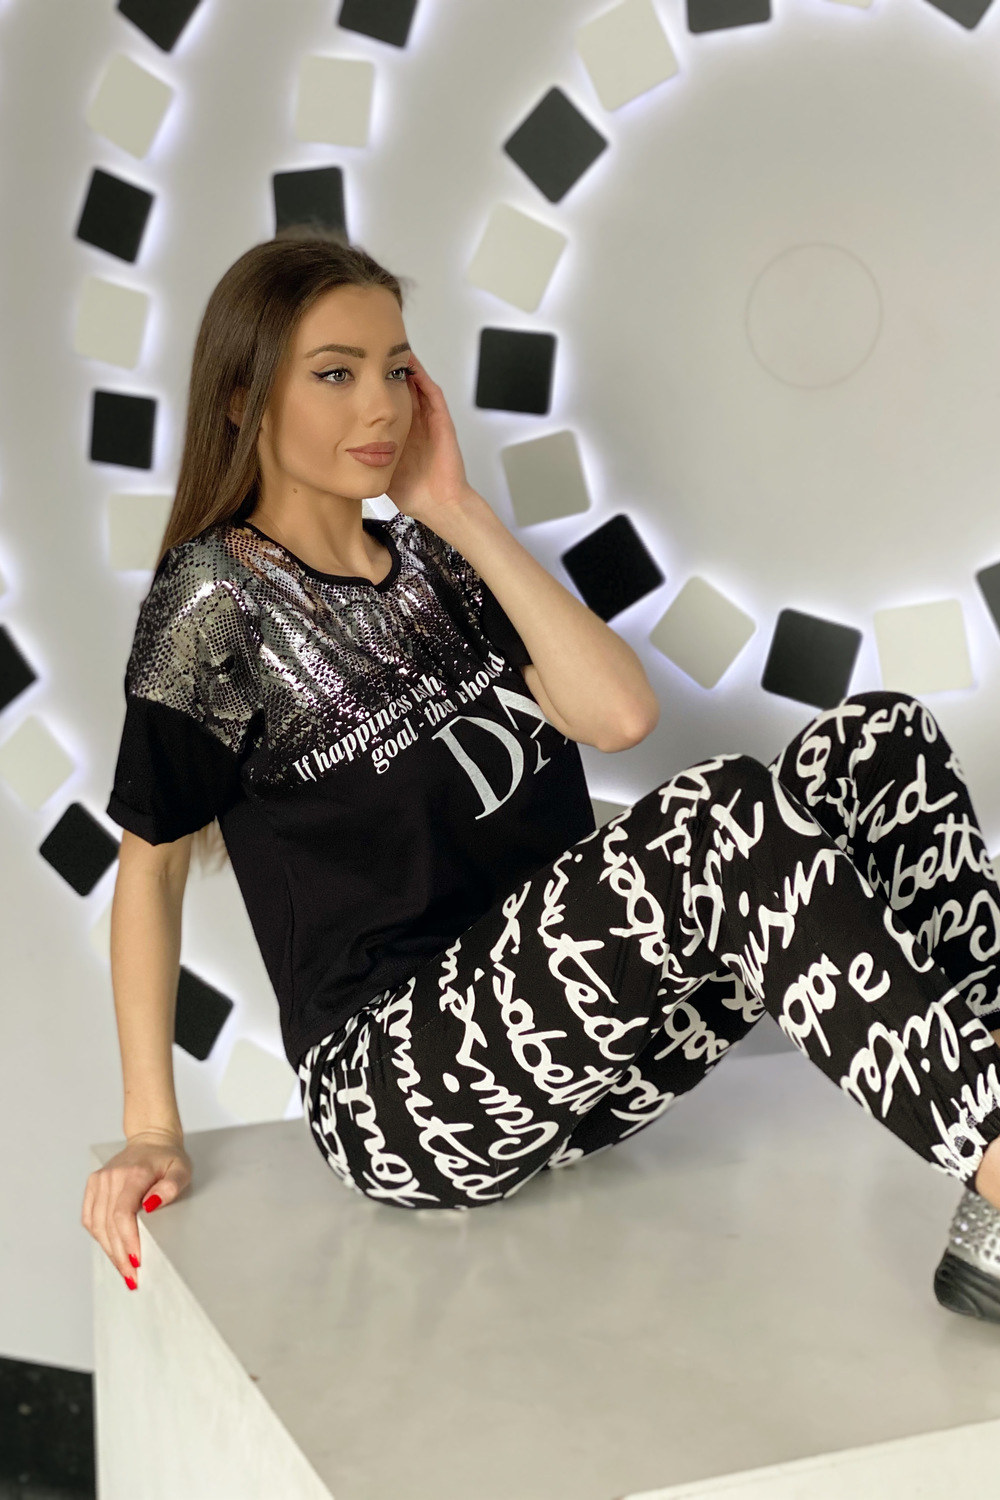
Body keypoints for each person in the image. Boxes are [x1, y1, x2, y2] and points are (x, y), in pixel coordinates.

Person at [82, 228, 1000, 1326]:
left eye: (396, 370)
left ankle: (990, 1170)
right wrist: (152, 1129)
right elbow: (150, 871)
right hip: (403, 1095)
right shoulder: (212, 603)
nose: (379, 407)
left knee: (880, 743)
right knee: (719, 817)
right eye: (334, 374)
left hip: (594, 1058)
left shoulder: (437, 560)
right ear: (244, 400)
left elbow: (618, 715)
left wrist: (455, 509)